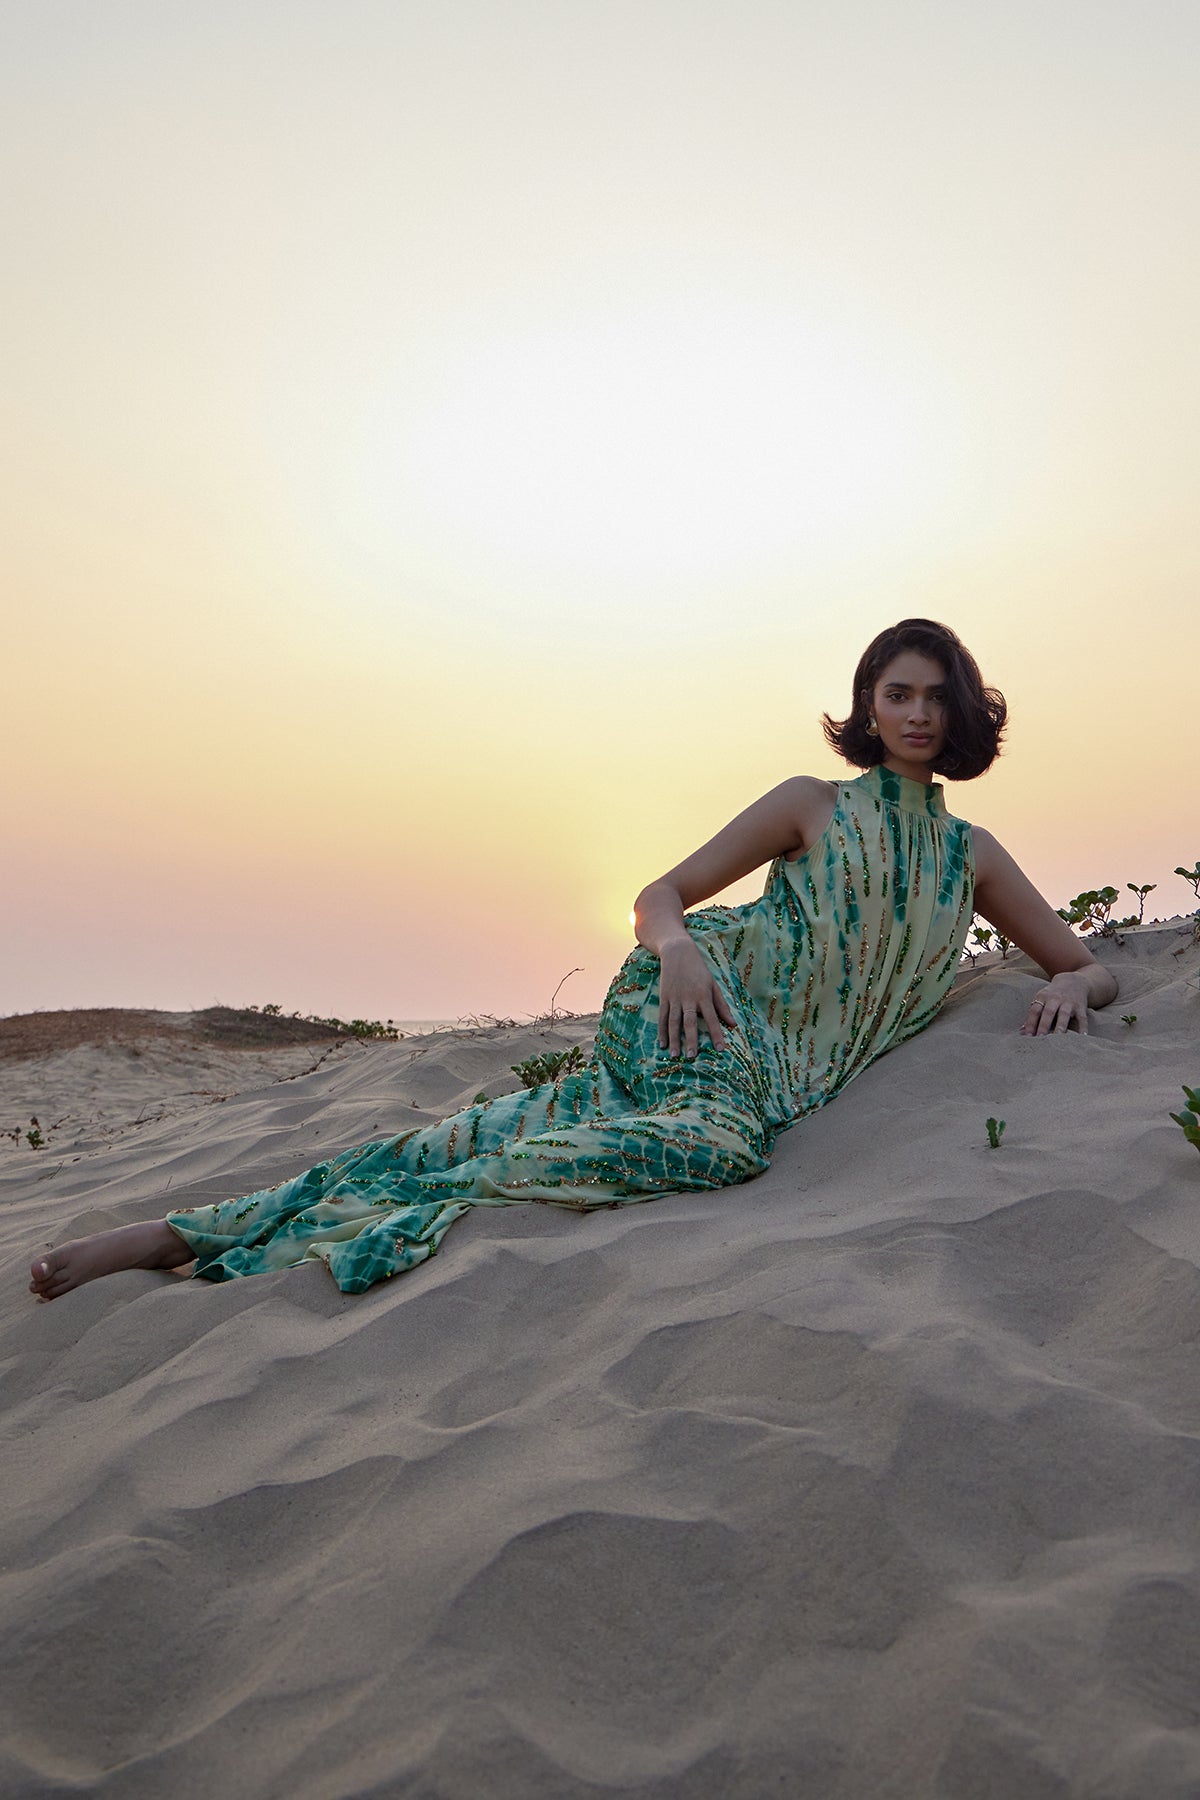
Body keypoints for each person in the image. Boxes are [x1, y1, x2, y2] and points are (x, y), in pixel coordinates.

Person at [30, 619, 1117, 1302]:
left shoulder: (970, 857)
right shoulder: (812, 804)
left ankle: (179, 1231)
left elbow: (1082, 961)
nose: (919, 714)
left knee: (481, 1132)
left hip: (774, 1069)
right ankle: (190, 1233)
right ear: (867, 708)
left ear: (965, 711)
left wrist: (1072, 981)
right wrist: (683, 948)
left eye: (937, 696)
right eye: (898, 693)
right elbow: (657, 896)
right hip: (703, 1014)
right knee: (716, 1147)